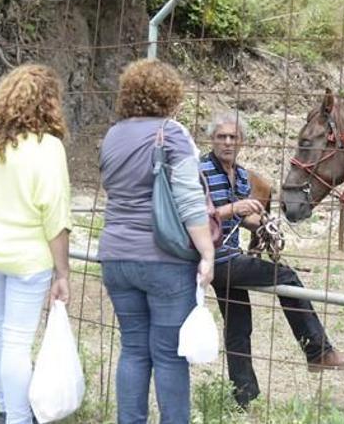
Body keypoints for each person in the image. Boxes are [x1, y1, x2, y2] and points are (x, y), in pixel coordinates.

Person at [202, 111, 344, 408]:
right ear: (211, 139)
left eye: (232, 137)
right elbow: (194, 217)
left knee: (239, 325)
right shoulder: (199, 171)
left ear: (242, 142)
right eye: (221, 137)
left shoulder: (239, 174)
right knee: (286, 276)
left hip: (228, 256)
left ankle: (244, 398)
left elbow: (238, 220)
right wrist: (234, 209)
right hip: (213, 258)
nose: (226, 142)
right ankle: (319, 352)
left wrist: (259, 224)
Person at [97, 59, 215, 424]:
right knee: (168, 354)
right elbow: (189, 199)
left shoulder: (112, 135)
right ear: (171, 95)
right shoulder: (171, 133)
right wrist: (207, 252)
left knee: (133, 349)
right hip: (163, 259)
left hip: (116, 256)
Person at [0, 64, 72, 424]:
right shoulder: (48, 147)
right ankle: (20, 418)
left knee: (3, 329)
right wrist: (63, 272)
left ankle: (6, 408)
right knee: (17, 340)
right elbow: (55, 218)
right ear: (48, 103)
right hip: (25, 258)